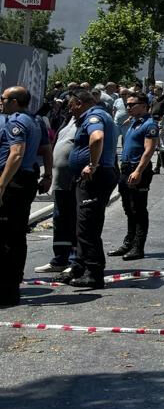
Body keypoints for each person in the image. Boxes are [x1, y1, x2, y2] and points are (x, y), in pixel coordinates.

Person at [58, 89, 118, 289]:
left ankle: (93, 272)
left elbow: (97, 138)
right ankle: (80, 266)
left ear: (80, 103)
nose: (69, 109)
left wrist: (92, 165)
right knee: (83, 225)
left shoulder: (94, 117)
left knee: (87, 226)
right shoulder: (96, 115)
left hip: (95, 178)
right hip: (91, 178)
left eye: (71, 105)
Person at [0, 87, 44, 307]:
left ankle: (6, 291)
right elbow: (45, 148)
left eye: (4, 99)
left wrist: (1, 184)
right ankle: (12, 284)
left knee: (6, 236)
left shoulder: (15, 121)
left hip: (15, 182)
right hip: (26, 179)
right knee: (16, 235)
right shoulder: (34, 120)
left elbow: (16, 153)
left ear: (15, 102)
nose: (1, 102)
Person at [111, 93, 157, 262]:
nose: (128, 107)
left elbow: (149, 150)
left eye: (132, 104)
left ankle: (138, 247)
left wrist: (138, 171)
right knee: (128, 208)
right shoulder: (133, 122)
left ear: (144, 106)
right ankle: (128, 242)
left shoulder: (149, 125)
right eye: (127, 104)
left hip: (137, 169)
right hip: (125, 168)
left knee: (138, 209)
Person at [34, 109, 78, 274]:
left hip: (73, 182)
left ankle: (74, 261)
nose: (70, 106)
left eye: (73, 103)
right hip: (60, 182)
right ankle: (59, 260)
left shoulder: (89, 121)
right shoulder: (69, 120)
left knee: (73, 220)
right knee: (60, 221)